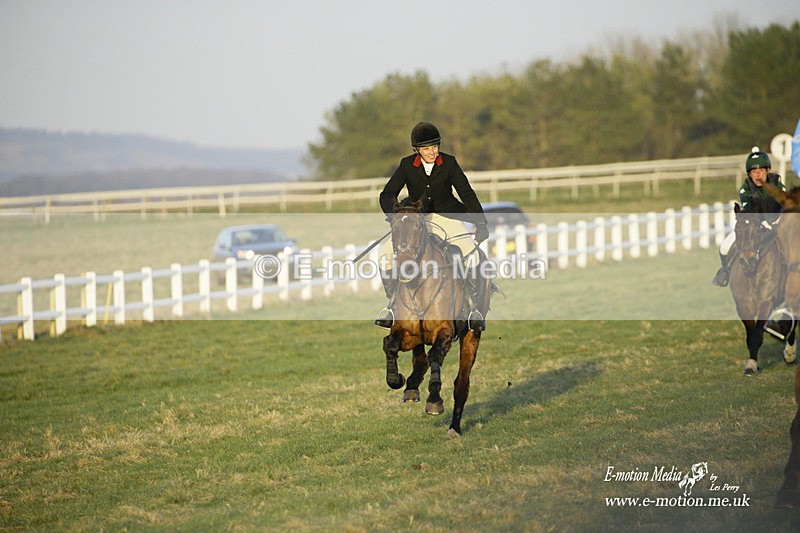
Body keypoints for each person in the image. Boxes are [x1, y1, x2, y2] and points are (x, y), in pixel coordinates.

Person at [374, 121, 490, 331]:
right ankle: (392, 307)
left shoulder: (449, 163)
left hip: (448, 218)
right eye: (426, 148)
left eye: (435, 147)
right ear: (416, 150)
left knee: (470, 253)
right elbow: (387, 194)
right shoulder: (407, 165)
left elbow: (466, 192)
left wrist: (480, 221)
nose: (432, 152)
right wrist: (395, 217)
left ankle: (473, 309)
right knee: (384, 254)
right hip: (418, 221)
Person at [712, 148, 785, 287]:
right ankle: (725, 271)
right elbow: (748, 210)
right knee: (724, 246)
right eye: (754, 172)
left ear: (767, 171)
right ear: (750, 174)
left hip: (777, 221)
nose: (758, 175)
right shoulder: (745, 189)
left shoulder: (777, 185)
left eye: (761, 171)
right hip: (755, 223)